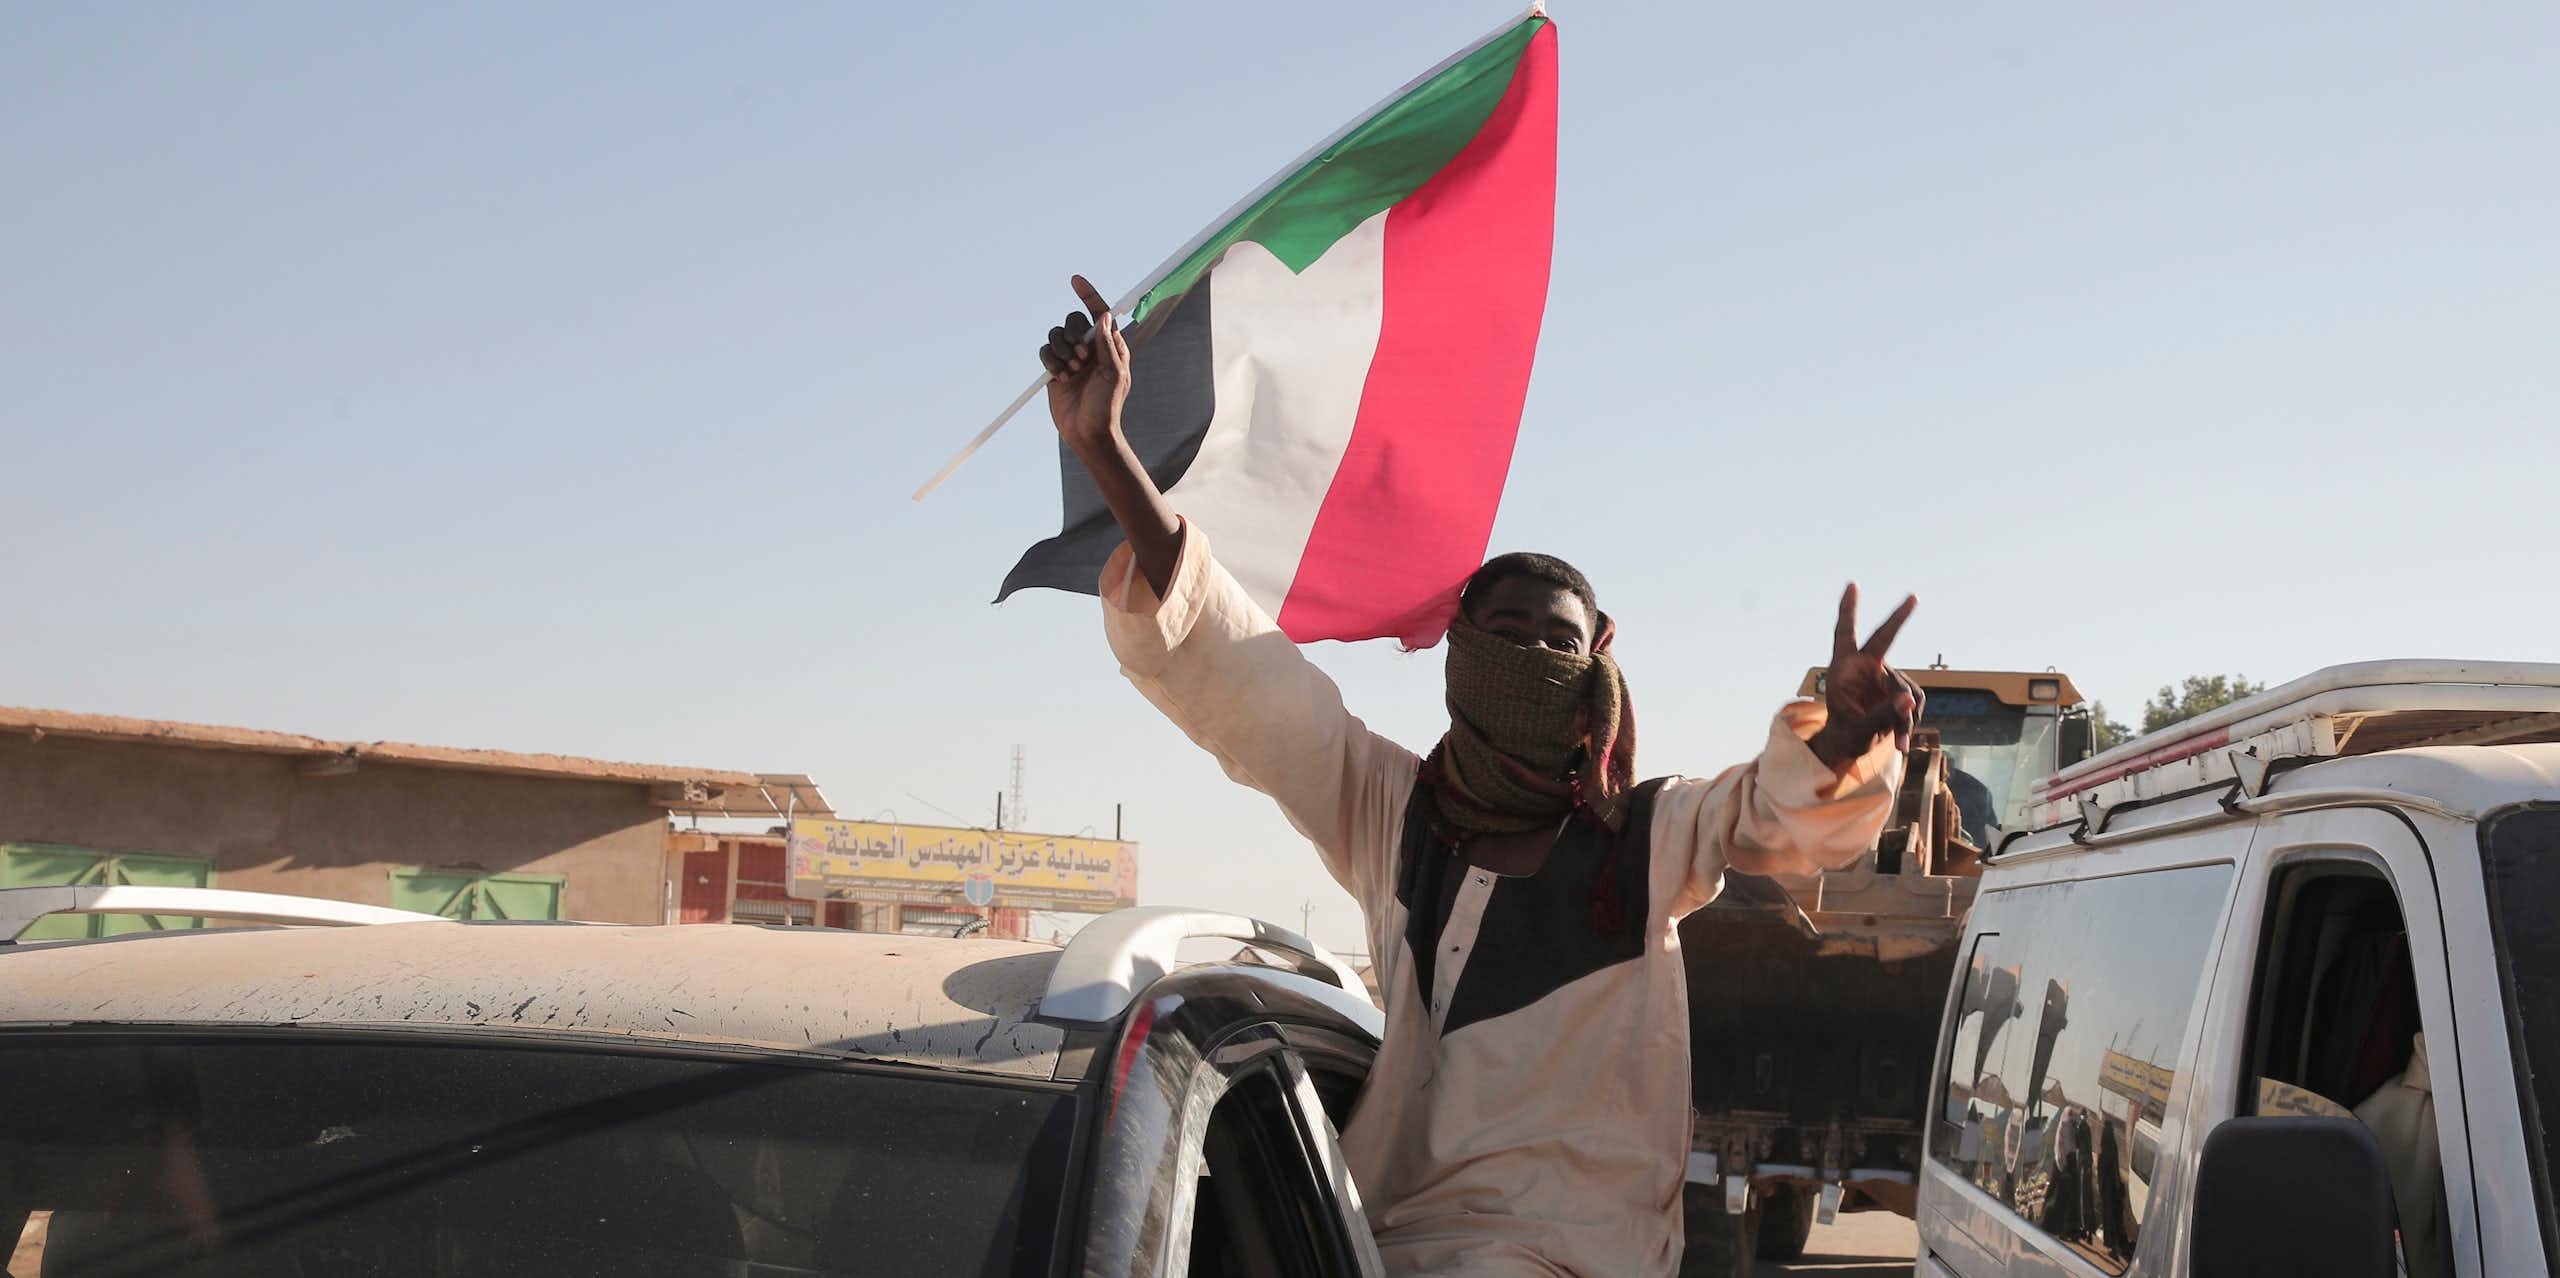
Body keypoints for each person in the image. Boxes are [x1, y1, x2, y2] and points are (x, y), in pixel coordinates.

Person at [1037, 277, 1920, 1277]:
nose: (1536, 658)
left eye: (1560, 642)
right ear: (1461, 651)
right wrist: (1104, 449)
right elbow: (1246, 674)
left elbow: (1770, 817)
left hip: (1576, 1255)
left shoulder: (1646, 837)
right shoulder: (1392, 812)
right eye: (1510, 634)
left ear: (1598, 666)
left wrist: (1842, 740)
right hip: (1390, 1242)